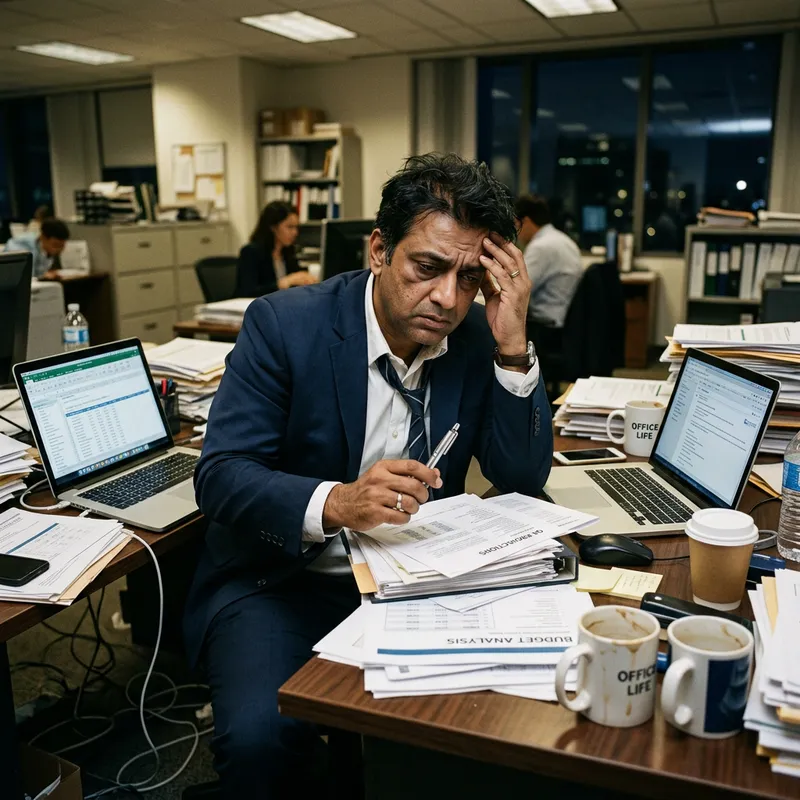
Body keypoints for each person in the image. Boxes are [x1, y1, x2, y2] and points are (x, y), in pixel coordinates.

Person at [186, 153, 553, 799]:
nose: (446, 298)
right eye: (428, 268)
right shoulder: (285, 325)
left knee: (486, 732)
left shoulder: (473, 338)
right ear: (380, 249)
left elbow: (520, 475)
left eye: (470, 279)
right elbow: (221, 476)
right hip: (284, 580)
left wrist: (512, 340)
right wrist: (337, 502)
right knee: (259, 741)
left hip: (421, 580)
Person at [515, 194, 582, 330]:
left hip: (545, 325)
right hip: (565, 321)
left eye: (515, 225)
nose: (516, 232)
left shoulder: (541, 246)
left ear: (526, 221)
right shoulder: (562, 239)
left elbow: (517, 290)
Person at [235, 201, 317, 297]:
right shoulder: (251, 252)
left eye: (296, 227)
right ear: (273, 227)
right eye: (290, 227)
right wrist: (284, 282)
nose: (295, 232)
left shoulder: (288, 252)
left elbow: (294, 281)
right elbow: (248, 292)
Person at [3, 217, 69, 279]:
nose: (58, 250)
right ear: (43, 237)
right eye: (56, 245)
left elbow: (39, 273)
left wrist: (45, 275)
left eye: (62, 246)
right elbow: (26, 278)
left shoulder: (42, 248)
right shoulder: (22, 247)